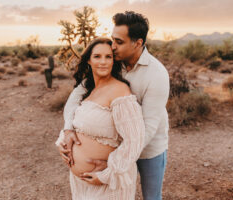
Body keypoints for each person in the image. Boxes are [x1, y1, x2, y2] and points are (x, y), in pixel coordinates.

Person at [57, 11, 170, 200]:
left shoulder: (156, 75)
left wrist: (113, 164)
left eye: (119, 42)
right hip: (120, 145)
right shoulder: (111, 63)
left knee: (151, 197)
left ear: (138, 43)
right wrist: (68, 130)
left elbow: (148, 128)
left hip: (149, 149)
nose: (113, 46)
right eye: (112, 40)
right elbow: (74, 99)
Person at [56, 37, 145, 199]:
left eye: (108, 56)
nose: (103, 61)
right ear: (89, 60)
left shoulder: (120, 91)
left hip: (107, 185)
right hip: (80, 183)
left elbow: (135, 140)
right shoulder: (88, 87)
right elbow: (74, 117)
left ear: (114, 60)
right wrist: (64, 138)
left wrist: (108, 174)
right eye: (97, 56)